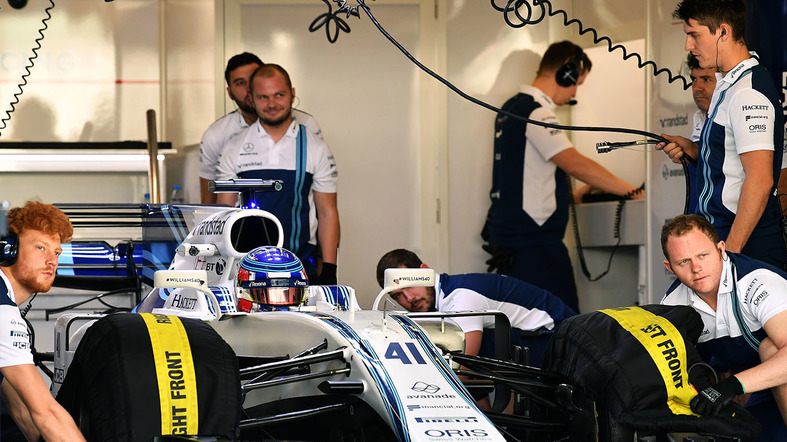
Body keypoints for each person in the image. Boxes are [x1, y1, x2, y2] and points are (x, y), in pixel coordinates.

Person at [0, 202, 149, 442]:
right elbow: (44, 410)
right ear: (8, 250)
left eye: (56, 251)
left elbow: (21, 408)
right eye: (39, 247)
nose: (51, 260)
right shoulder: (1, 309)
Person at [483, 40, 643, 313]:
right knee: (564, 321)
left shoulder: (510, 108)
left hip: (513, 243)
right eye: (577, 82)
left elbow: (524, 177)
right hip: (536, 245)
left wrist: (572, 195)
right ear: (566, 73)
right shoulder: (536, 112)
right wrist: (631, 192)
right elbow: (575, 164)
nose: (575, 92)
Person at [660, 214, 787, 442]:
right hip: (775, 397)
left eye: (703, 255)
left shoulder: (755, 282)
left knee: (773, 347)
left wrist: (732, 385)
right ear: (669, 268)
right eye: (684, 262)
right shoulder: (672, 306)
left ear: (721, 249)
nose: (697, 268)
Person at [658, 0, 787, 271]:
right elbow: (732, 162)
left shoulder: (746, 90)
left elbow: (760, 179)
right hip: (721, 240)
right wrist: (695, 151)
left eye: (694, 35)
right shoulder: (727, 84)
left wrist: (731, 253)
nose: (688, 46)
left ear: (723, 32)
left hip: (746, 250)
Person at [217, 64, 340, 285]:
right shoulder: (233, 148)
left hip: (302, 266)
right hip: (246, 270)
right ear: (252, 99)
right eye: (263, 97)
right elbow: (223, 215)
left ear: (292, 94)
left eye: (279, 95)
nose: (272, 104)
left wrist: (329, 268)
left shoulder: (315, 147)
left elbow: (327, 212)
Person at [375, 249, 576, 368]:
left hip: (559, 338)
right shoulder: (442, 297)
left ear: (425, 272)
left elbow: (464, 367)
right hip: (535, 338)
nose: (408, 298)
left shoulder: (460, 297)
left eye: (409, 285)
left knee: (462, 361)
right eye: (397, 296)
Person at [685, 52, 787, 221]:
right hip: (710, 232)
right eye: (693, 79)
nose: (697, 88)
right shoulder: (701, 118)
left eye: (706, 79)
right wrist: (693, 151)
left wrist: (761, 237)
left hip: (744, 237)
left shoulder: (749, 108)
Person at [198, 52, 323, 206]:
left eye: (253, 78)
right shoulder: (215, 135)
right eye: (240, 83)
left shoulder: (307, 125)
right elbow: (209, 202)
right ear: (229, 92)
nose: (249, 88)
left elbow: (320, 197)